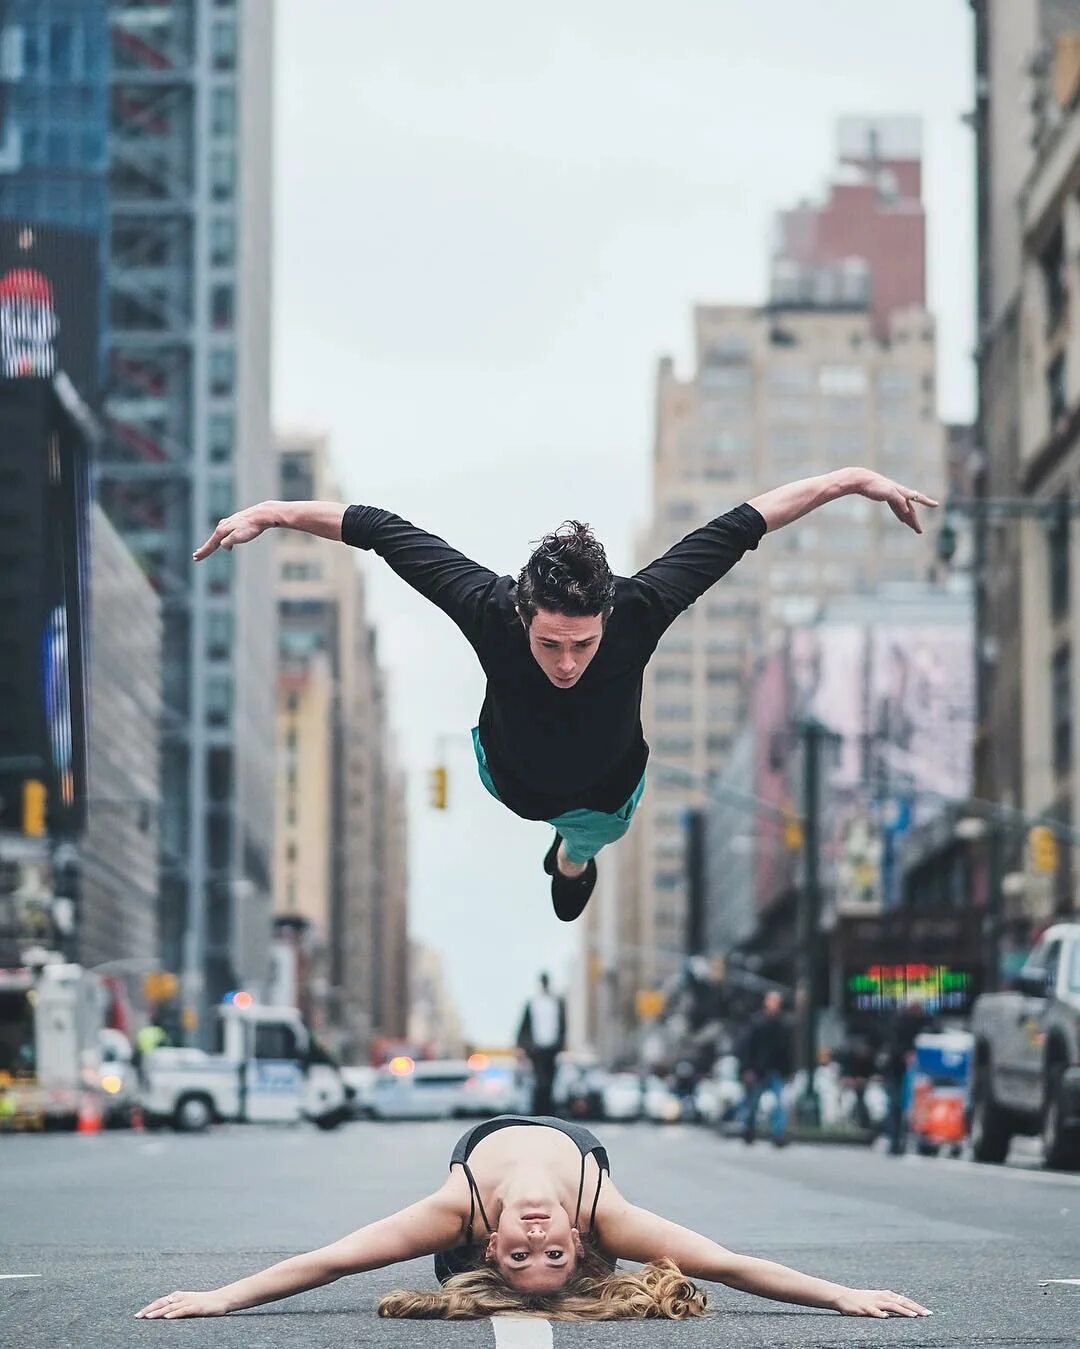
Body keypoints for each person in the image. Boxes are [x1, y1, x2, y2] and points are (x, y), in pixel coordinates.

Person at [193, 469, 936, 923]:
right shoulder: (487, 605)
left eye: (584, 644)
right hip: (508, 776)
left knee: (582, 851)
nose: (569, 662)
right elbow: (381, 530)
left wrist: (848, 480)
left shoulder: (642, 606)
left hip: (605, 796)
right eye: (551, 644)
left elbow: (747, 523)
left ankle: (571, 860)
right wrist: (273, 512)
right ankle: (566, 847)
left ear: (608, 615)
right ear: (523, 615)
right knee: (535, 791)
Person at [134, 1114, 932, 1322]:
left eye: (524, 1256)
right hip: (575, 1141)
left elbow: (333, 1259)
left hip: (481, 1147)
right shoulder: (601, 1211)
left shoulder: (461, 1209)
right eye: (556, 1254)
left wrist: (222, 1297)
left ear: (492, 1243)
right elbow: (728, 1263)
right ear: (583, 1243)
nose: (542, 1240)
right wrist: (839, 1294)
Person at [737, 991, 793, 1146]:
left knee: (780, 1103)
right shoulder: (756, 1023)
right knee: (752, 1103)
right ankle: (748, 1130)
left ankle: (778, 1134)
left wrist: (788, 1071)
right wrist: (747, 1069)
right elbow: (746, 1047)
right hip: (757, 1070)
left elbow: (786, 1050)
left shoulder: (783, 1024)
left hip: (776, 1070)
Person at [880, 1000, 934, 1156]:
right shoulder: (899, 1021)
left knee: (903, 1105)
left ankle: (905, 1140)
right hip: (898, 1068)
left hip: (914, 1070)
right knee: (896, 1104)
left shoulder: (924, 1022)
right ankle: (896, 1140)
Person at [516, 972, 566, 1115]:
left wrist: (560, 1044)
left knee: (549, 1082)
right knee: (539, 1081)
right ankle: (538, 1111)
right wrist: (522, 1045)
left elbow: (562, 1025)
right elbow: (524, 1024)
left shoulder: (557, 1002)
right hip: (536, 1049)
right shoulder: (533, 1003)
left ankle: (547, 1111)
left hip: (551, 1048)